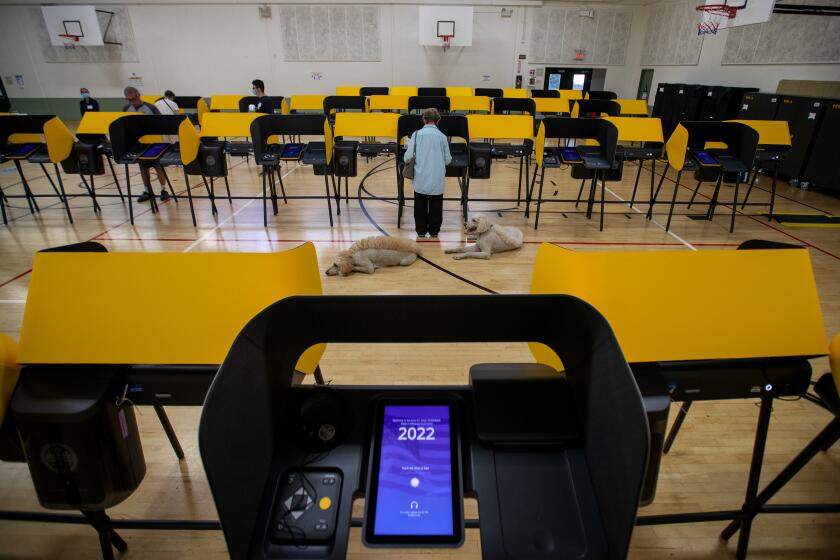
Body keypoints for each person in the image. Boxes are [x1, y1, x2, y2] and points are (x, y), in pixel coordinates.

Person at [404, 108, 452, 239]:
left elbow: (408, 157)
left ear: (424, 119)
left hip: (421, 177)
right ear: (438, 121)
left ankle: (421, 231)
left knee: (420, 205)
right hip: (437, 178)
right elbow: (448, 160)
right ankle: (434, 231)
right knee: (436, 205)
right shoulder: (442, 137)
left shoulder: (417, 134)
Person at [123, 86, 171, 202]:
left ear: (138, 95)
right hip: (139, 144)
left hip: (154, 143)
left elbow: (161, 123)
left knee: (158, 167)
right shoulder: (126, 109)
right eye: (129, 100)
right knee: (143, 168)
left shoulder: (150, 107)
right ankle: (147, 190)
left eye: (133, 98)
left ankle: (163, 190)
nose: (132, 102)